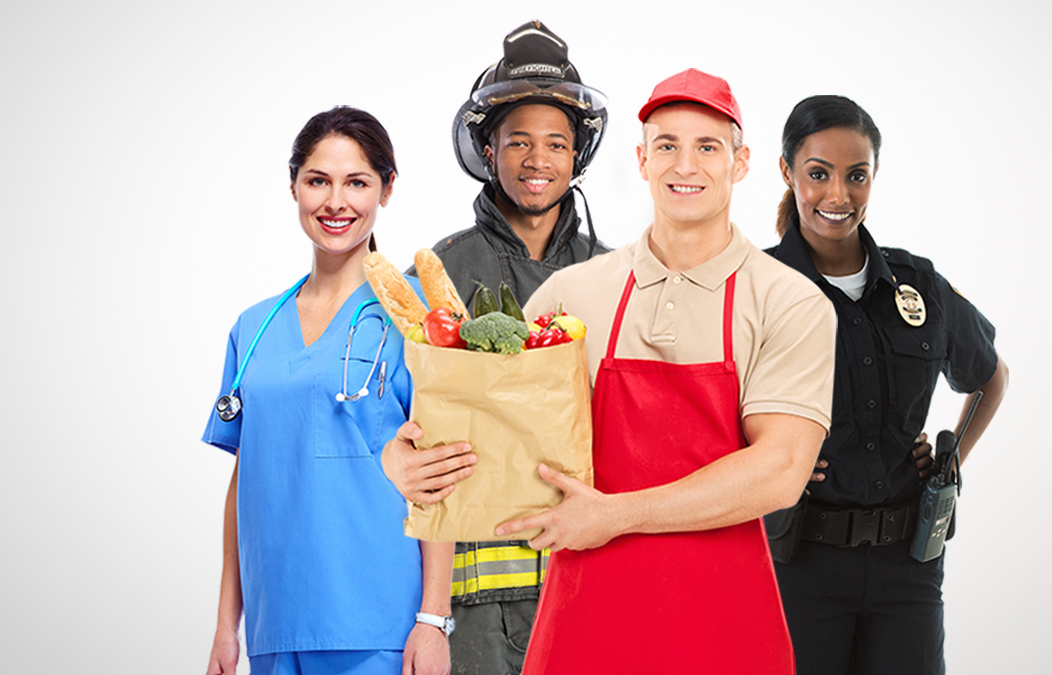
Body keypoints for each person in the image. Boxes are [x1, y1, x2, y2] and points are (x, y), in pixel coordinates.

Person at [495, 69, 836, 673]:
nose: (686, 165)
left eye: (707, 147)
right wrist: (410, 460)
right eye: (667, 146)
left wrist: (616, 515)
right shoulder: (571, 293)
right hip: (585, 625)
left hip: (725, 630)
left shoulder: (788, 299)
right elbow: (495, 426)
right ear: (642, 160)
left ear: (741, 162)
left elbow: (780, 470)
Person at [201, 106, 453, 675]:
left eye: (357, 182)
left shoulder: (419, 317)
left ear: (386, 190)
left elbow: (443, 476)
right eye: (318, 181)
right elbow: (246, 479)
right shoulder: (255, 327)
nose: (335, 202)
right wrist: (226, 626)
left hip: (379, 622)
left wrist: (433, 620)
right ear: (293, 186)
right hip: (275, 623)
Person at [763, 95, 1009, 675]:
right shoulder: (757, 288)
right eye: (818, 174)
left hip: (909, 565)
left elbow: (989, 376)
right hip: (800, 565)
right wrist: (776, 460)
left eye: (857, 176)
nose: (838, 196)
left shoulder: (918, 284)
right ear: (787, 172)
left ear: (874, 176)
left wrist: (950, 460)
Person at [400, 21, 609, 675]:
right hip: (480, 602)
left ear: (577, 155)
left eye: (555, 142)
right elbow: (416, 444)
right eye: (517, 140)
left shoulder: (617, 276)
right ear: (488, 150)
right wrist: (431, 619)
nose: (536, 159)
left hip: (590, 584)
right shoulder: (441, 273)